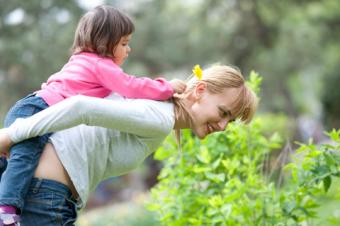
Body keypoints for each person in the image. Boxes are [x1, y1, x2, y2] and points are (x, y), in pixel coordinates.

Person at [0, 64, 258, 225]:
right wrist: (10, 136)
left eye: (231, 121)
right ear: (200, 90)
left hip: (47, 195)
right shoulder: (159, 117)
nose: (223, 126)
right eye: (223, 112)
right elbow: (80, 107)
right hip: (46, 196)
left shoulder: (159, 112)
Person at [0, 5, 186, 224]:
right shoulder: (100, 65)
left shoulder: (82, 61)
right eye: (124, 43)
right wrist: (167, 87)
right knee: (24, 158)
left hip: (32, 106)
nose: (129, 50)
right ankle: (6, 210)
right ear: (105, 43)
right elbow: (131, 86)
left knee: (15, 159)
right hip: (37, 109)